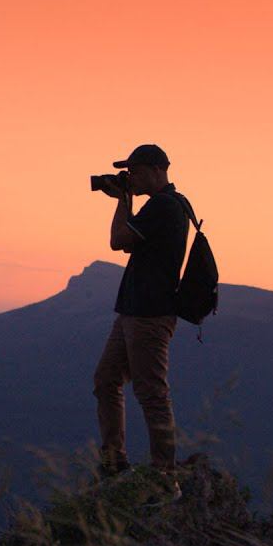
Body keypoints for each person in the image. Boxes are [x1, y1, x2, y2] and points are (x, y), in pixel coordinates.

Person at [93, 143, 190, 502]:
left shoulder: (164, 205)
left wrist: (122, 200)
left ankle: (165, 475)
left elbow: (119, 240)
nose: (129, 178)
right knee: (106, 380)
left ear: (154, 169)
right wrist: (127, 200)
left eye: (133, 171)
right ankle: (114, 462)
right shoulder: (164, 207)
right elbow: (135, 244)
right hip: (134, 310)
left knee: (151, 393)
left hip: (149, 313)